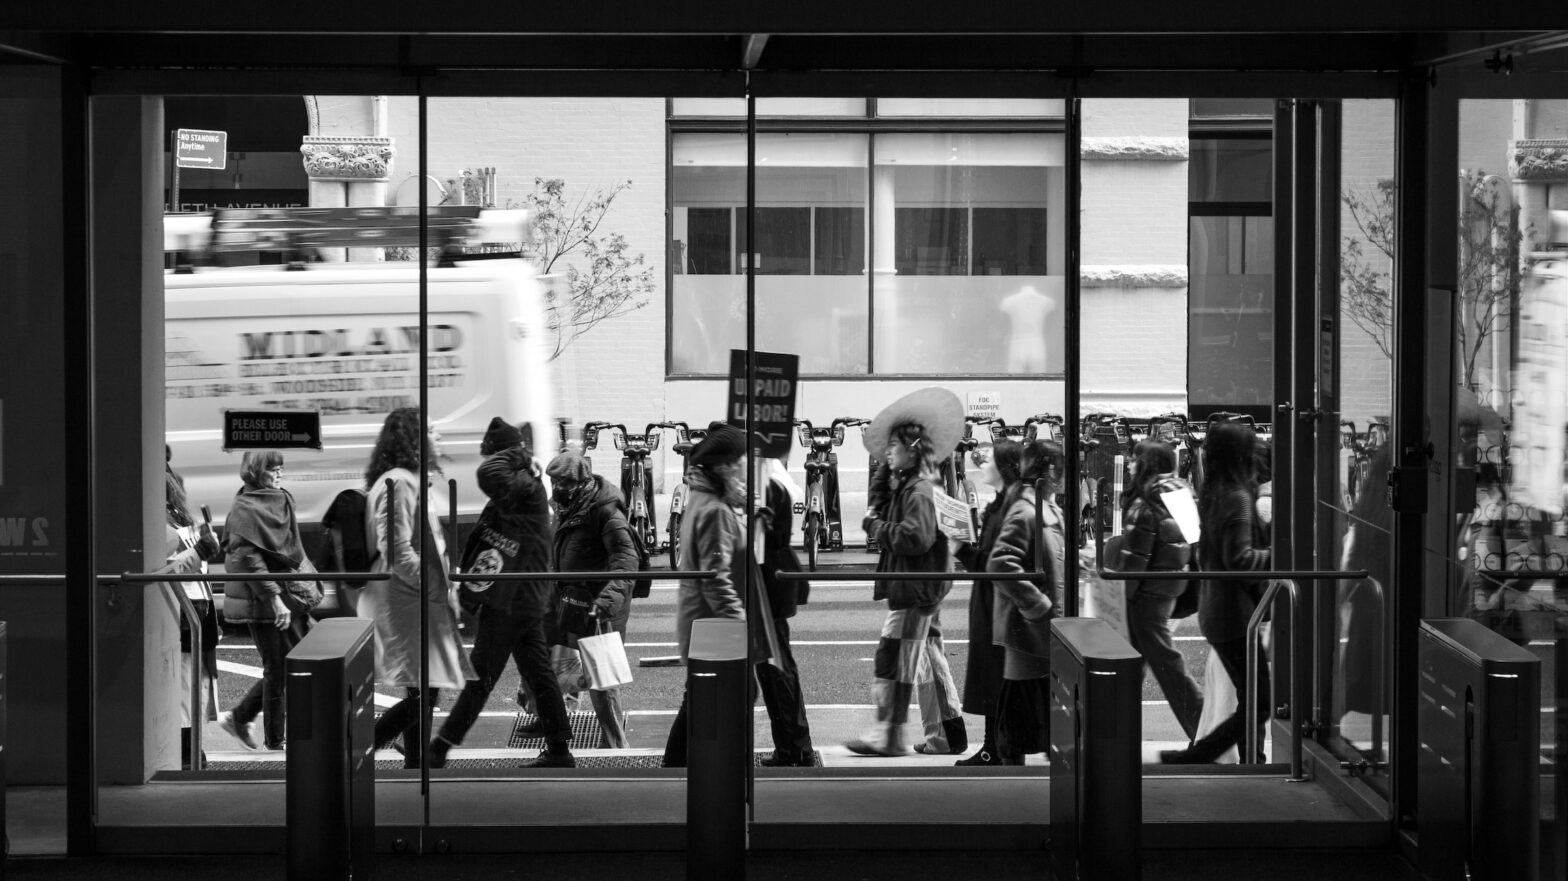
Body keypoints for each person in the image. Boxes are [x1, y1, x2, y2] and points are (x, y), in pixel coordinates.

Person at [430, 417, 573, 769]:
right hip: (521, 595)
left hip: (514, 598)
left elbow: (489, 473)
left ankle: (439, 749)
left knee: (481, 675)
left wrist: (518, 456)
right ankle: (559, 750)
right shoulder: (520, 486)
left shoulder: (522, 483)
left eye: (490, 453)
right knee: (539, 672)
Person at [846, 387, 967, 758]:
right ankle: (946, 734)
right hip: (918, 588)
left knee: (895, 660)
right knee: (925, 660)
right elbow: (880, 503)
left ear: (912, 451)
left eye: (893, 448)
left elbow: (914, 538)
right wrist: (883, 477)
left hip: (914, 590)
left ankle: (891, 735)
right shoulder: (912, 485)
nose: (887, 453)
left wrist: (878, 527)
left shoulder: (918, 492)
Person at [360, 408, 475, 769]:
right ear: (413, 438)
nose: (438, 439)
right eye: (432, 432)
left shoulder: (408, 480)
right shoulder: (400, 482)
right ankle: (360, 752)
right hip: (409, 598)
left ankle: (415, 761)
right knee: (423, 691)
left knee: (422, 687)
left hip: (415, 595)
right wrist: (434, 587)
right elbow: (395, 550)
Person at [1161, 420, 1272, 764]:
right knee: (1260, 701)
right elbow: (1240, 561)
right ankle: (1202, 755)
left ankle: (1244, 759)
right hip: (1234, 615)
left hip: (1216, 611)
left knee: (1251, 696)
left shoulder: (1214, 493)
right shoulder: (1238, 497)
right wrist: (1281, 554)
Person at [216, 451, 321, 752]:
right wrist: (274, 598)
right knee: (278, 667)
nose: (279, 474)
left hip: (288, 595)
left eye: (281, 468)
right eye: (272, 469)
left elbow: (291, 549)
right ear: (254, 470)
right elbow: (246, 559)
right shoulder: (244, 507)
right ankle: (274, 738)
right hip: (261, 599)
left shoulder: (281, 498)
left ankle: (243, 718)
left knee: (288, 664)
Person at [662, 422, 749, 768]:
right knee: (703, 704)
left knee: (698, 701)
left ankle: (685, 770)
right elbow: (716, 579)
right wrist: (739, 624)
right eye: (740, 460)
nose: (745, 465)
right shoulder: (714, 510)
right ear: (725, 466)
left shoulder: (701, 498)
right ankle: (686, 773)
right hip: (712, 627)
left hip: (698, 620)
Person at [545, 448, 639, 750]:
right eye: (554, 482)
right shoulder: (566, 509)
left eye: (564, 483)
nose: (558, 488)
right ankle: (561, 742)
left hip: (599, 611)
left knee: (603, 686)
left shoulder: (604, 511)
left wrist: (606, 600)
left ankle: (616, 750)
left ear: (582, 482)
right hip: (571, 606)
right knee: (561, 674)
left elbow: (626, 560)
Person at [1115, 439, 1203, 743]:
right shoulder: (1181, 492)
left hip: (1147, 596)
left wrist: (1116, 595)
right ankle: (1117, 734)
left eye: (1134, 460)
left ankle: (1206, 735)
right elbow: (1190, 545)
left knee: (1167, 665)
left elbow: (1134, 563)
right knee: (1136, 664)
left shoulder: (1146, 503)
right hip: (1170, 588)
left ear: (1147, 464)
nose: (1129, 464)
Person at [987, 438, 1068, 764]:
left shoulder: (1043, 506)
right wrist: (1040, 608)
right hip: (1029, 638)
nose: (1065, 475)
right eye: (1061, 468)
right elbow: (1001, 566)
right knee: (1020, 731)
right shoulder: (1025, 509)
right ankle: (1016, 797)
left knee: (1046, 726)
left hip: (1043, 636)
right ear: (1050, 469)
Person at [953, 439, 1022, 766]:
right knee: (993, 675)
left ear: (1006, 467)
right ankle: (992, 747)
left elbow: (997, 562)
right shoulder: (1002, 501)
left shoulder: (1010, 506)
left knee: (996, 675)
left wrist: (962, 550)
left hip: (998, 603)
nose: (983, 465)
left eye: (989, 461)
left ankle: (998, 750)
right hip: (990, 600)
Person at [161, 456, 222, 768]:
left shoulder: (174, 517)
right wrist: (199, 550)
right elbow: (165, 570)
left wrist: (201, 546)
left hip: (198, 610)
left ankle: (192, 753)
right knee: (187, 691)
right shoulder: (158, 519)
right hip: (184, 613)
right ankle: (188, 757)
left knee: (196, 689)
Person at [756, 456, 816, 766]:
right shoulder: (768, 483)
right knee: (776, 669)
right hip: (770, 587)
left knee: (776, 670)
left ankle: (794, 749)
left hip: (768, 589)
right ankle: (795, 747)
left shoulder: (765, 488)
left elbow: (773, 539)